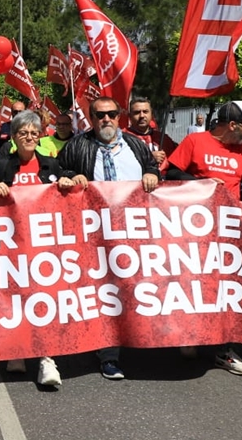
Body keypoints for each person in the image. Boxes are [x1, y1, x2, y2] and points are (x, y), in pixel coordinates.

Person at [165, 100, 242, 375]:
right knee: (195, 286)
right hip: (194, 230)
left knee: (226, 289)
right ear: (233, 125)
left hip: (228, 231)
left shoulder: (241, 150)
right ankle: (190, 334)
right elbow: (172, 172)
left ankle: (223, 350)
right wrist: (202, 183)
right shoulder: (195, 141)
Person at [56, 97, 159, 381]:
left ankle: (141, 342)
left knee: (135, 289)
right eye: (100, 115)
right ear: (91, 117)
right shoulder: (77, 146)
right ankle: (108, 355)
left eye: (112, 114)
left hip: (135, 232)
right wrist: (69, 178)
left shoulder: (136, 146)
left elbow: (153, 167)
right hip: (97, 234)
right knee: (106, 293)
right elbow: (58, 171)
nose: (106, 120)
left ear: (119, 117)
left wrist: (152, 173)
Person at [0, 109, 78, 387]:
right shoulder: (3, 165)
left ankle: (46, 359)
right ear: (13, 137)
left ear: (40, 137)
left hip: (44, 246)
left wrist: (68, 181)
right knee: (16, 297)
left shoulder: (51, 164)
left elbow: (69, 190)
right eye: (22, 132)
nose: (28, 136)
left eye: (33, 132)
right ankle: (18, 350)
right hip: (12, 244)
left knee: (44, 301)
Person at [122, 97, 178, 172]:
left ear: (151, 114)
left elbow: (176, 162)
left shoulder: (163, 138)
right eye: (137, 112)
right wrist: (149, 158)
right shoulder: (121, 137)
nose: (142, 116)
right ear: (129, 116)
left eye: (145, 112)